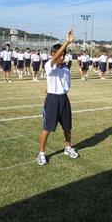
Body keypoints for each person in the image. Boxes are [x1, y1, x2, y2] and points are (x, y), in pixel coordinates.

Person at [37, 30, 79, 166]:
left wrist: (54, 88)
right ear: (53, 55)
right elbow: (54, 60)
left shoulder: (66, 69)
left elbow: (66, 86)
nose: (61, 57)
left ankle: (68, 147)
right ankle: (41, 153)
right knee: (47, 127)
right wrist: (67, 42)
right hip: (52, 101)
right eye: (59, 55)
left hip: (64, 99)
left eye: (63, 55)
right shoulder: (49, 65)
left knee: (67, 127)